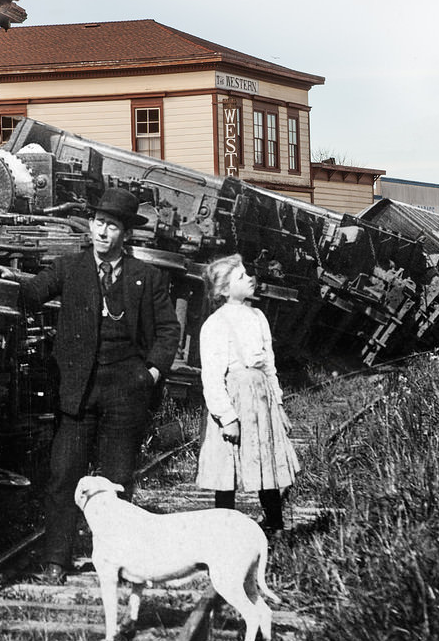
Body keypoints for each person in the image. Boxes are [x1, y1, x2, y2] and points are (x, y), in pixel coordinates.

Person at [19, 188, 182, 584]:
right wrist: (1, 277)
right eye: (97, 222)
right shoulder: (70, 269)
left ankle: (120, 561)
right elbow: (31, 294)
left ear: (125, 232)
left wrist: (152, 373)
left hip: (126, 393)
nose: (102, 231)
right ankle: (57, 560)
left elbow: (167, 331)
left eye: (111, 225)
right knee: (64, 475)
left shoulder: (147, 277)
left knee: (118, 478)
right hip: (77, 391)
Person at [195, 254, 299, 534]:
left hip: (261, 400)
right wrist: (227, 417)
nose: (250, 279)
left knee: (267, 458)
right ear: (224, 290)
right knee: (226, 464)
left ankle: (275, 524)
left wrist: (277, 402)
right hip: (234, 399)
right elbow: (212, 377)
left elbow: (269, 364)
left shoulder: (258, 316)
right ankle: (224, 530)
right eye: (241, 277)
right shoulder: (215, 325)